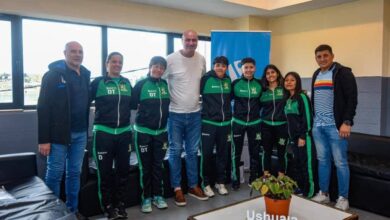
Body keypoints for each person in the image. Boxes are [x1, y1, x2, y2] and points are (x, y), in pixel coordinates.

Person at [37, 41, 90, 216]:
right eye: (73, 51)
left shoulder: (85, 74)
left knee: (75, 173)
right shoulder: (52, 75)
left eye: (80, 51)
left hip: (80, 132)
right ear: (65, 53)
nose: (77, 54)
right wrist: (44, 139)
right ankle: (53, 213)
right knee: (55, 174)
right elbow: (43, 108)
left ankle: (71, 210)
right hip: (58, 135)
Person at [311, 44, 358, 211]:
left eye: (325, 55)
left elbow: (352, 99)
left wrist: (347, 122)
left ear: (332, 56)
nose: (322, 59)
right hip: (318, 126)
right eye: (319, 56)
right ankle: (324, 194)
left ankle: (343, 198)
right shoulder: (316, 74)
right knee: (323, 161)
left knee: (340, 162)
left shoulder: (343, 73)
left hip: (336, 127)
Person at [164, 29, 208, 206]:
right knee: (174, 151)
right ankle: (177, 188)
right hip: (175, 114)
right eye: (188, 40)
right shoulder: (170, 59)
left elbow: (200, 82)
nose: (191, 43)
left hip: (195, 113)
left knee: (192, 152)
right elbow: (160, 80)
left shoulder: (201, 59)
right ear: (182, 41)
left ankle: (192, 185)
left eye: (194, 40)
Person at [90, 52, 132, 219]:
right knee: (105, 173)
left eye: (120, 62)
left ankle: (120, 203)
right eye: (113, 61)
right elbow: (84, 101)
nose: (117, 64)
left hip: (124, 133)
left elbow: (134, 104)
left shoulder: (127, 83)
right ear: (107, 63)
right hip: (103, 133)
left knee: (123, 171)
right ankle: (107, 206)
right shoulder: (98, 83)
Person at [132, 56, 170, 213]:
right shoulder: (141, 84)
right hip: (143, 133)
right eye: (155, 66)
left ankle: (158, 196)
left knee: (158, 165)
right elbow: (133, 105)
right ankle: (145, 198)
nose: (158, 70)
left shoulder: (165, 84)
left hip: (161, 133)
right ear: (150, 67)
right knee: (145, 167)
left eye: (161, 67)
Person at [200, 56, 232, 197]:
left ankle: (220, 182)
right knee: (206, 155)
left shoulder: (228, 80)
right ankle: (205, 184)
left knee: (222, 154)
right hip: (209, 123)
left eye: (223, 65)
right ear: (214, 66)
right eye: (218, 65)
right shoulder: (205, 79)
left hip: (225, 124)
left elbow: (228, 99)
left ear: (227, 68)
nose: (220, 68)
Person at [231, 57, 263, 190]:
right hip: (238, 122)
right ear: (242, 69)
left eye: (251, 67)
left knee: (254, 152)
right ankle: (235, 178)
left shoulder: (260, 84)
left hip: (255, 122)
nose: (249, 70)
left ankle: (254, 178)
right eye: (246, 67)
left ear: (255, 68)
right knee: (236, 152)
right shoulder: (235, 83)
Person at [283, 71, 315, 198]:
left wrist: (303, 135)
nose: (289, 82)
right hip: (293, 138)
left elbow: (308, 117)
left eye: (292, 80)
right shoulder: (288, 99)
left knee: (306, 164)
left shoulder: (302, 97)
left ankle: (310, 191)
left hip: (303, 137)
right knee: (297, 163)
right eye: (286, 80)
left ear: (297, 82)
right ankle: (300, 188)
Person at [260, 64, 288, 177]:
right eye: (268, 73)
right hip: (266, 126)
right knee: (266, 152)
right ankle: (266, 176)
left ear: (277, 73)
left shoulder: (285, 89)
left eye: (272, 72)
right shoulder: (262, 90)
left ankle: (281, 178)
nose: (270, 75)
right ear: (265, 76)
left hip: (282, 126)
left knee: (282, 153)